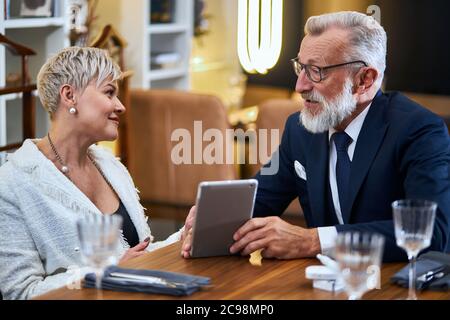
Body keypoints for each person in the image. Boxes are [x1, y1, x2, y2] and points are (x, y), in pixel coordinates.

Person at [181, 11, 450, 262]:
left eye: (317, 71)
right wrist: (213, 218)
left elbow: (431, 232)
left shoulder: (419, 131)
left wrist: (313, 241)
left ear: (365, 79)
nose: (300, 86)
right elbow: (261, 197)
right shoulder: (300, 130)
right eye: (301, 68)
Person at [0, 47, 181, 300]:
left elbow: (138, 256)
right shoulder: (11, 184)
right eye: (109, 92)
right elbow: (20, 292)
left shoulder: (111, 167)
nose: (120, 106)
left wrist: (184, 237)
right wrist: (107, 273)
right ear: (69, 95)